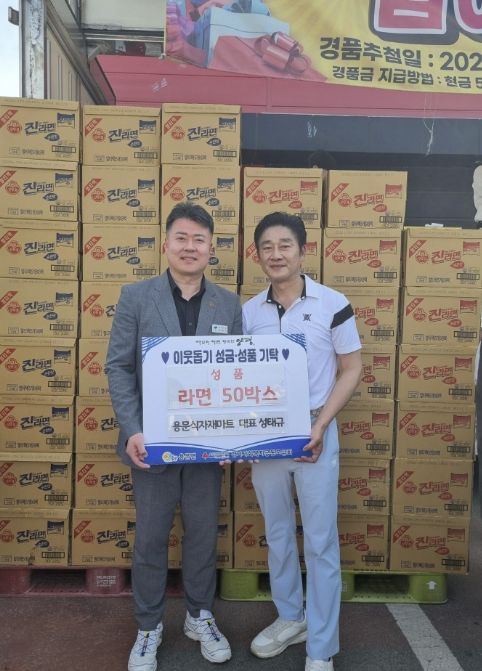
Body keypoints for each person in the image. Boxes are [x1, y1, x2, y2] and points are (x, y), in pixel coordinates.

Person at [106, 202, 242, 671]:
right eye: (181, 238)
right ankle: (148, 626)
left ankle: (200, 617)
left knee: (202, 535)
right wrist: (133, 429)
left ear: (211, 249)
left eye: (199, 240)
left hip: (206, 448)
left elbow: (237, 377)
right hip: (153, 445)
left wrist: (232, 437)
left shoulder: (228, 304)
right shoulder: (136, 297)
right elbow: (119, 368)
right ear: (166, 244)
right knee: (150, 538)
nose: (190, 247)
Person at [242, 212, 362, 671]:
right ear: (258, 255)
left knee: (320, 540)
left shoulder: (333, 304)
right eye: (267, 247)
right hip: (267, 436)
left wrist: (322, 424)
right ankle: (291, 618)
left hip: (315, 431)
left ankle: (322, 646)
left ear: (303, 251)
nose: (276, 254)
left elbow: (351, 368)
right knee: (277, 533)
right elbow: (237, 378)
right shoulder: (249, 312)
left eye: (285, 245)